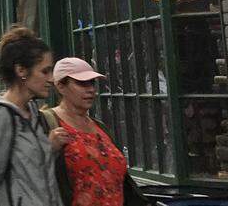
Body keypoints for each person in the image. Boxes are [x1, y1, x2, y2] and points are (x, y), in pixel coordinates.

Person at [0, 25, 62, 206]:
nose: (51, 79)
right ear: (21, 70)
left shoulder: (33, 114)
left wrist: (49, 149)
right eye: (45, 71)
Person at [42, 58, 151, 206]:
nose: (90, 89)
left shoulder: (100, 127)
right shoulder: (48, 123)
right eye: (81, 83)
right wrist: (48, 149)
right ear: (60, 86)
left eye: (92, 83)